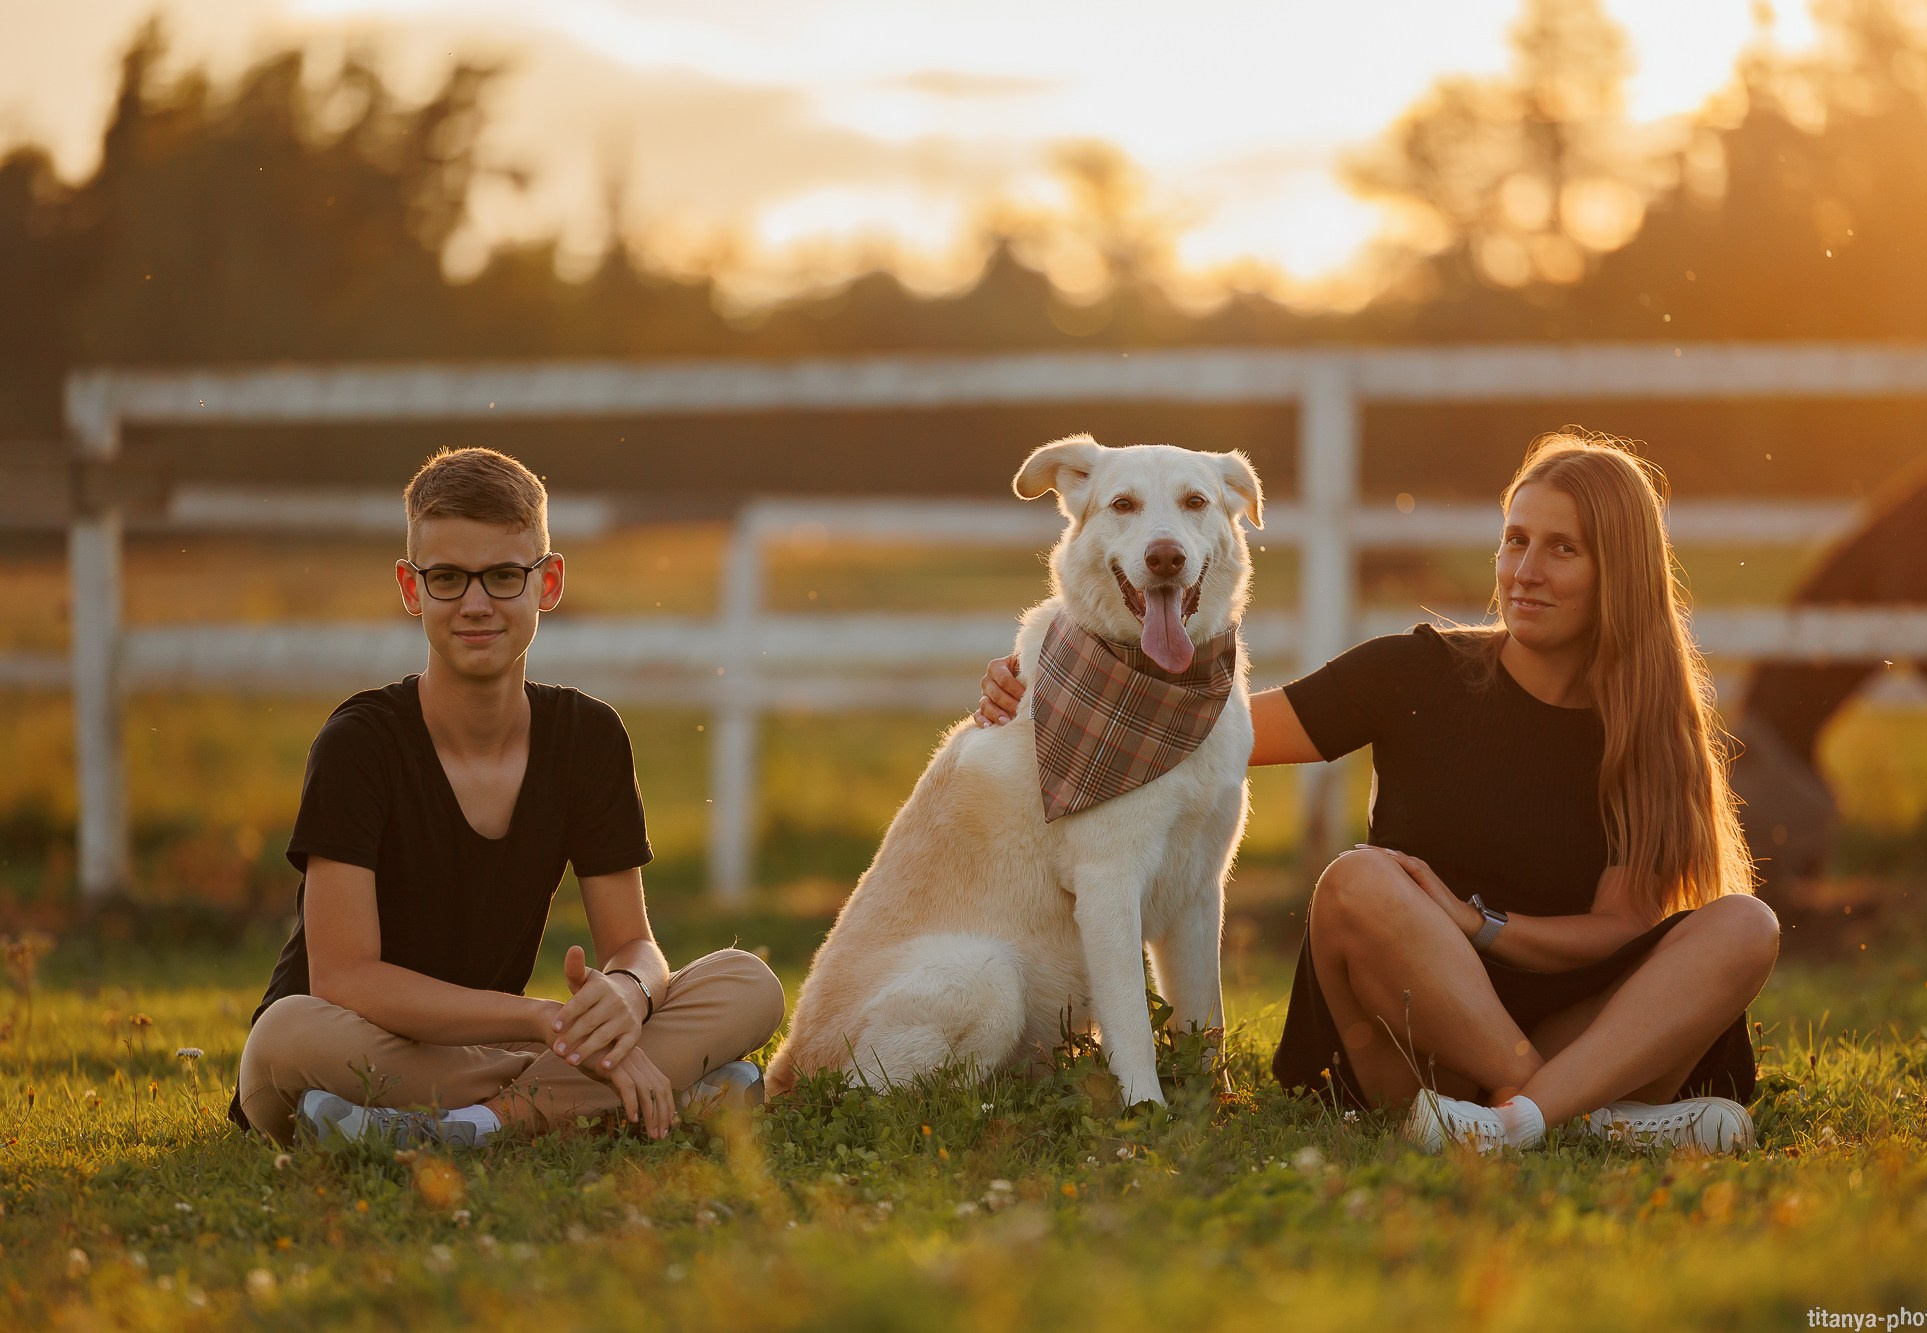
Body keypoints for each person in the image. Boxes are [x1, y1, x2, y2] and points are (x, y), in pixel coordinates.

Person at [976, 431, 1780, 1154]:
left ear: (1621, 571)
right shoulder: (1415, 672)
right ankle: (1573, 1113)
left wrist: (1480, 926)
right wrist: (1036, 698)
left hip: (1579, 1026)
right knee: (1357, 879)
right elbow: (1198, 731)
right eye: (1514, 540)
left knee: (1744, 923)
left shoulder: (1648, 723)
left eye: (1562, 549)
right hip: (1406, 1038)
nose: (1524, 572)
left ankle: (1510, 1120)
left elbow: (1617, 932)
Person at [230, 447, 785, 1147]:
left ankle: (467, 1128)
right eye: (447, 579)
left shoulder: (589, 735)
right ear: (410, 588)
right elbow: (345, 978)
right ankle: (628, 1096)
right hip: (359, 1045)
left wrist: (628, 992)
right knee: (283, 1034)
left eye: (501, 576)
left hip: (493, 1057)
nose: (475, 604)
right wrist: (540, 1023)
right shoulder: (359, 743)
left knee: (748, 982)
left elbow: (635, 945)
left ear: (547, 582)